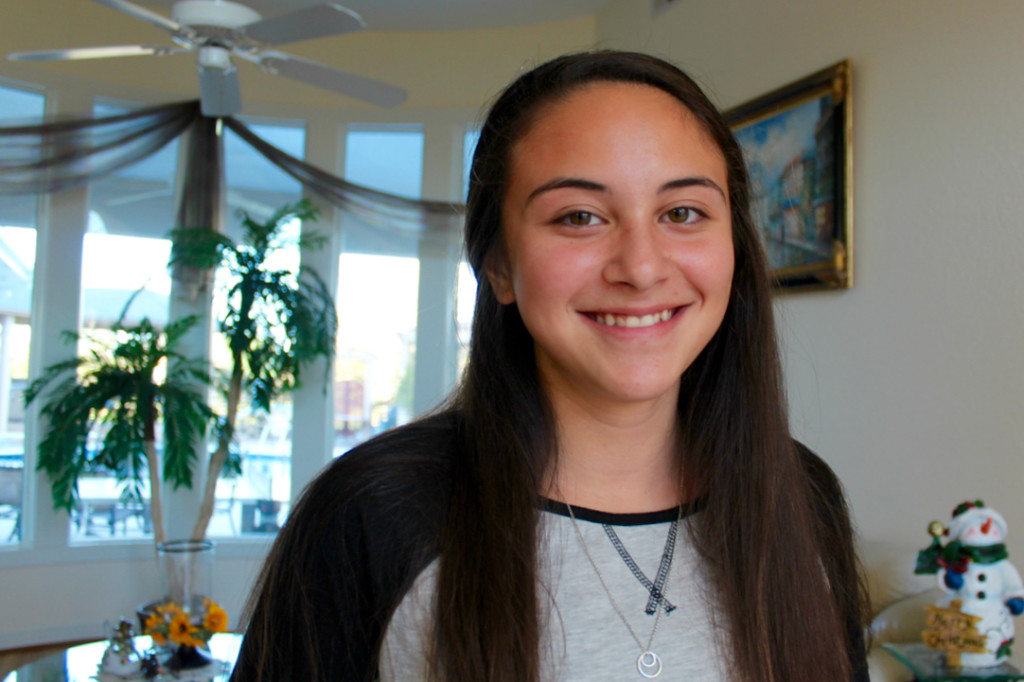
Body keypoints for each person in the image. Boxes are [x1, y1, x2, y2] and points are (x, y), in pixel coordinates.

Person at [231, 50, 869, 682]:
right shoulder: (372, 513)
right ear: (499, 266)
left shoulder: (803, 496)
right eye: (579, 217)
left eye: (682, 213)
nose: (642, 268)